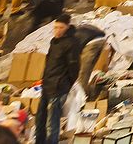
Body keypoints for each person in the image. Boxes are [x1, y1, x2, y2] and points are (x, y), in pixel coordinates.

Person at [39, 15, 99, 144]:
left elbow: (74, 67)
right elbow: (49, 62)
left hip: (58, 87)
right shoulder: (54, 42)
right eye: (55, 27)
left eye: (60, 28)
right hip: (47, 85)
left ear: (67, 27)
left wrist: (67, 83)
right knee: (41, 119)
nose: (57, 30)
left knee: (52, 122)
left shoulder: (72, 43)